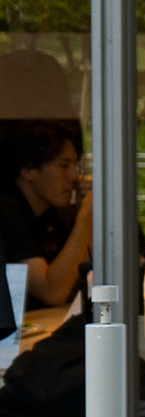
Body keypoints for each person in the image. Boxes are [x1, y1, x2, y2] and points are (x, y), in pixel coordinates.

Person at [0, 118, 91, 317]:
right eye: (64, 166)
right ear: (28, 169)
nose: (74, 176)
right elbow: (52, 292)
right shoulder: (6, 215)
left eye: (75, 166)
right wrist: (86, 217)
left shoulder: (50, 214)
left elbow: (82, 275)